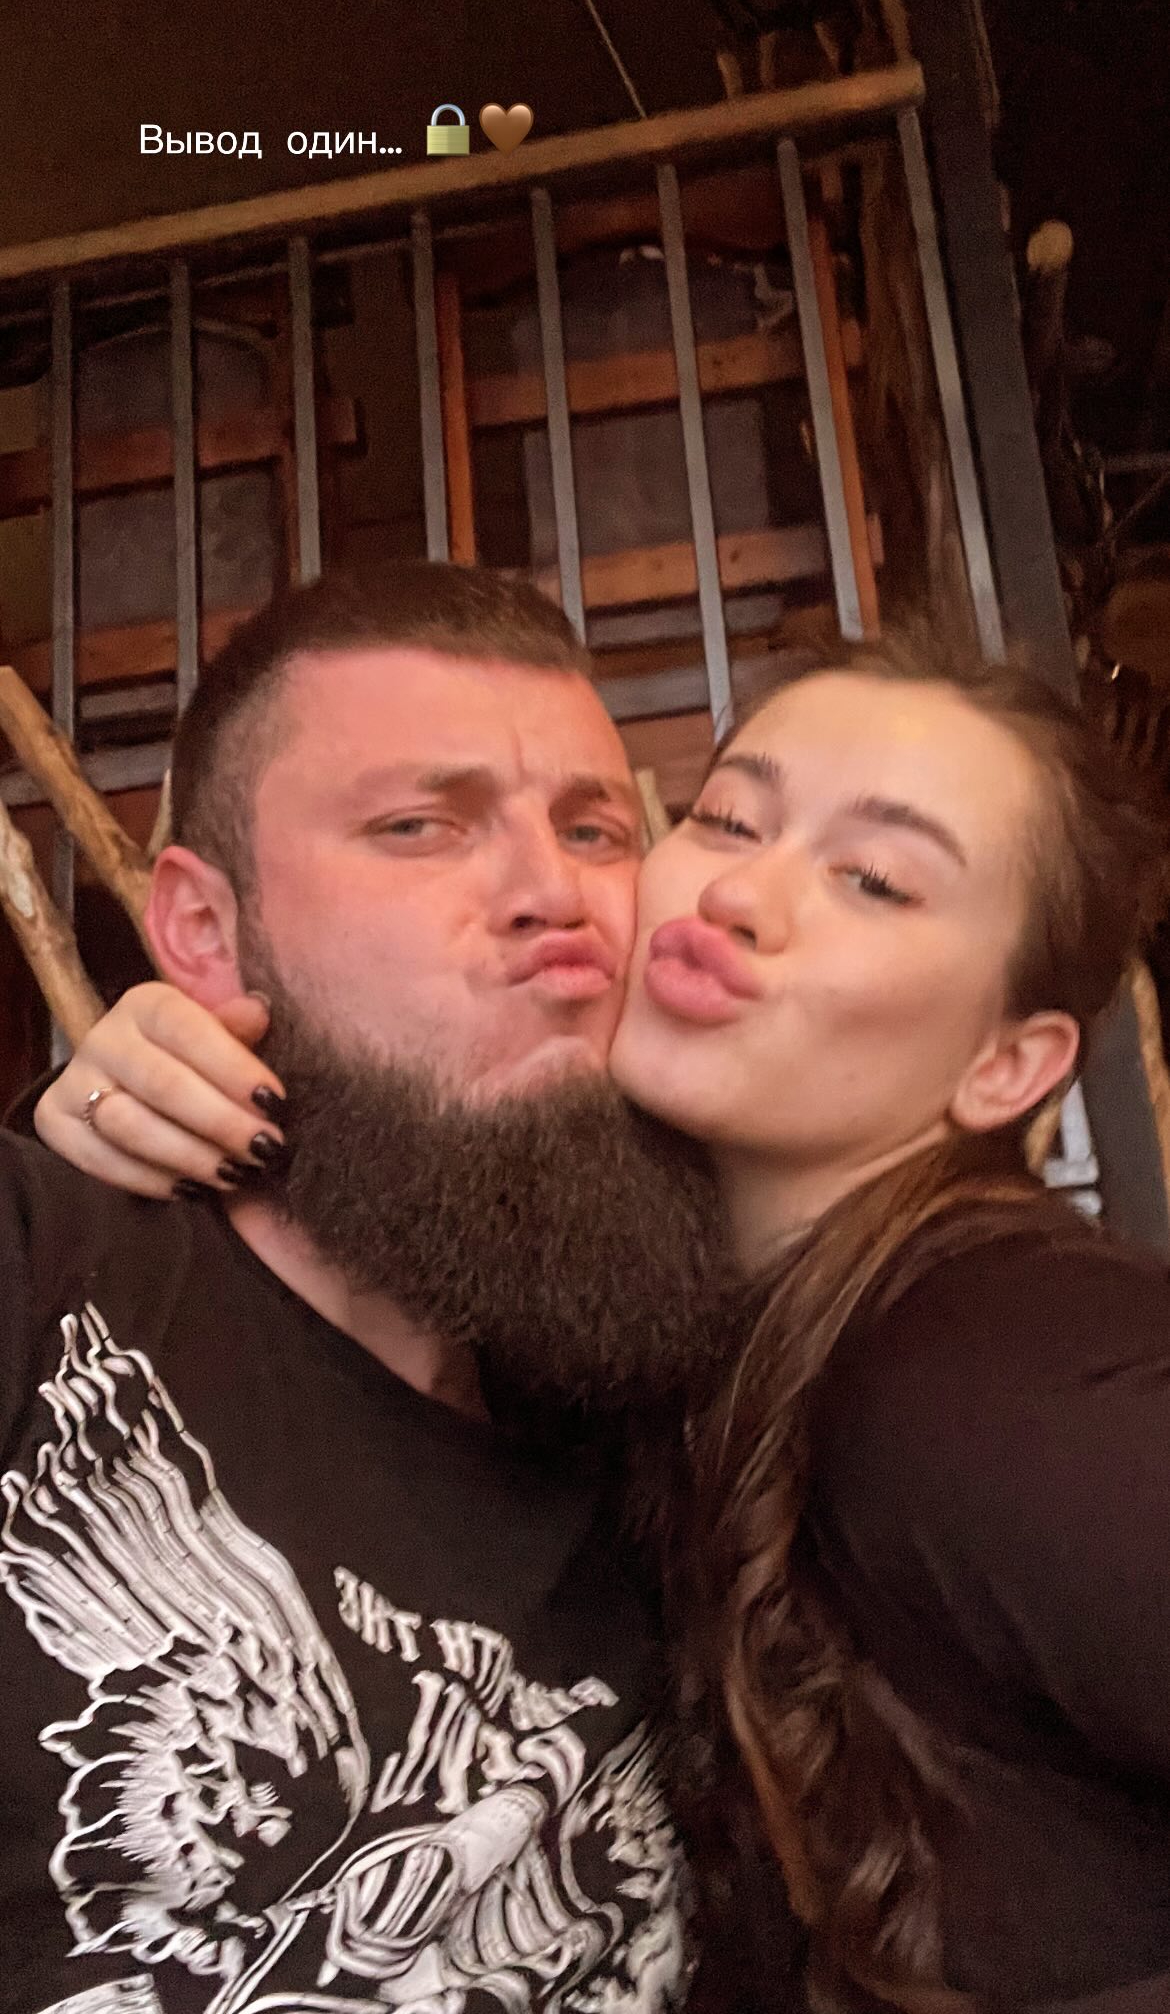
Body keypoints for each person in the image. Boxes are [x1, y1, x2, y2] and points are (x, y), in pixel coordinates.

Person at [49, 631, 1170, 2014]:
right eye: (726, 819)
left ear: (1007, 1064)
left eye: (874, 880)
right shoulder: (607, 1339)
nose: (744, 893)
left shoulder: (1001, 1372)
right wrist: (128, 1119)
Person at [0, 560, 743, 2014]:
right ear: (202, 934)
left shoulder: (684, 1388)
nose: (555, 896)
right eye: (419, 826)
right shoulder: (41, 1267)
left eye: (594, 829)